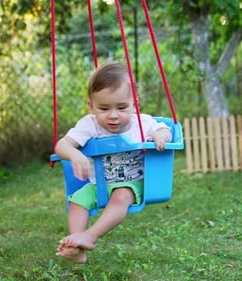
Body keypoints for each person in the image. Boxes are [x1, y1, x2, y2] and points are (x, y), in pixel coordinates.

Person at [54, 60, 173, 263]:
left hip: (132, 182)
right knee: (76, 201)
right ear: (91, 106)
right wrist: (75, 154)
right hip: (97, 184)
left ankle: (90, 237)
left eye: (121, 107)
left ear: (134, 103)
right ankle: (77, 245)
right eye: (104, 108)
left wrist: (161, 135)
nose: (114, 115)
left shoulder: (141, 122)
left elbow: (166, 130)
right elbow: (61, 145)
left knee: (120, 197)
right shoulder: (88, 125)